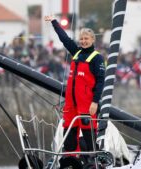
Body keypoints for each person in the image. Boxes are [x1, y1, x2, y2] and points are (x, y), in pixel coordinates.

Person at [44, 15, 105, 158]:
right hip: (71, 104)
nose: (83, 41)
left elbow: (101, 81)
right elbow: (64, 38)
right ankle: (71, 162)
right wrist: (54, 22)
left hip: (87, 104)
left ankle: (93, 162)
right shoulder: (76, 52)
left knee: (90, 136)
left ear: (92, 40)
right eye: (82, 39)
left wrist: (95, 102)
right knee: (69, 136)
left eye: (86, 39)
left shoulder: (97, 58)